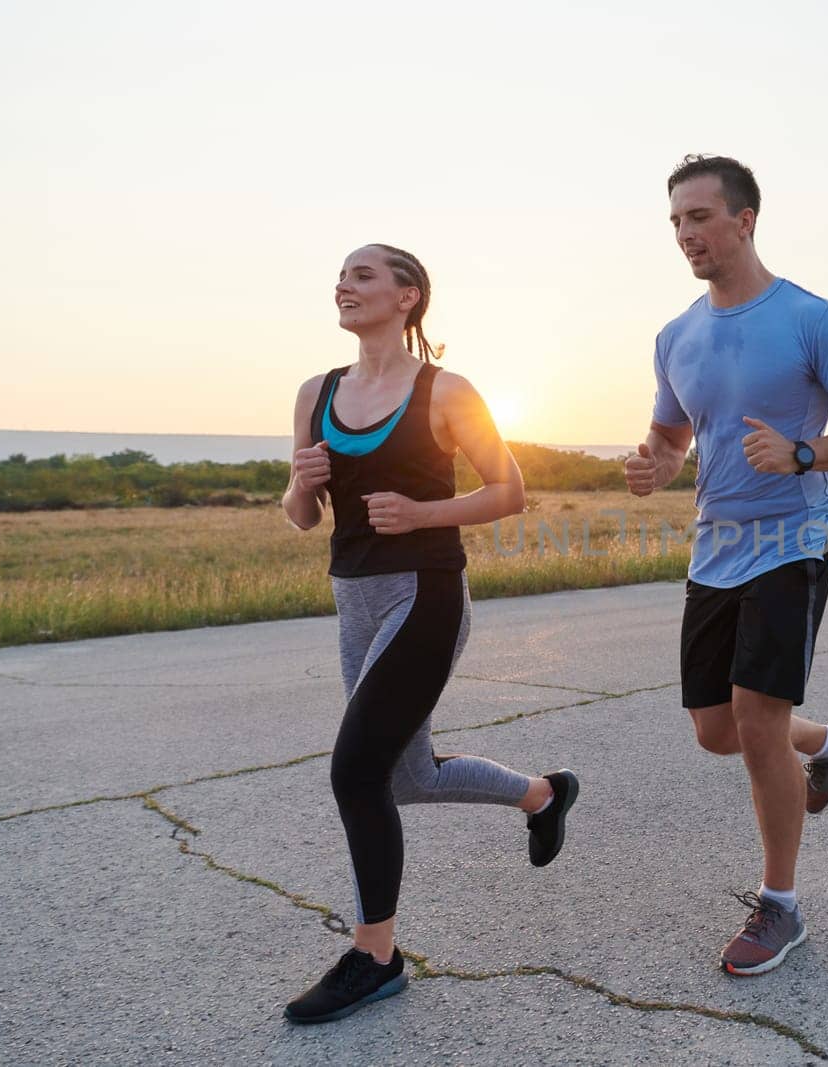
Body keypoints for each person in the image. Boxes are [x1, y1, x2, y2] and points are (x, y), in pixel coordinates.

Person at [280, 244, 579, 1024]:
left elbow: (509, 490)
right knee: (405, 775)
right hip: (355, 597)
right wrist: (299, 487)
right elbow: (302, 516)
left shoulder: (445, 391)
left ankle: (375, 957)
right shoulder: (317, 391)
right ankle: (544, 795)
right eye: (341, 276)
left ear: (408, 296)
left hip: (428, 593)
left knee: (356, 770)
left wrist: (422, 514)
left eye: (364, 274)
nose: (344, 285)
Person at [624, 155, 828, 976]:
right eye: (675, 221)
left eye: (700, 217)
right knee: (718, 730)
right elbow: (673, 440)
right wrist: (653, 467)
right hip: (716, 549)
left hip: (792, 539)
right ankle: (826, 741)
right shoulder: (674, 336)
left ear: (744, 220)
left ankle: (780, 905)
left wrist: (805, 452)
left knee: (752, 725)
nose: (685, 235)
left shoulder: (812, 318)